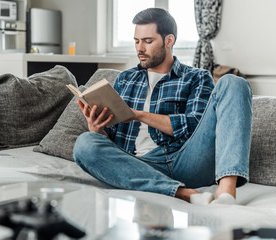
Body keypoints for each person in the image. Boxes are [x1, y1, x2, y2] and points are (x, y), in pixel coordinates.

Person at [73, 8, 252, 204]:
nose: (140, 48)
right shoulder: (125, 79)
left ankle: (226, 195)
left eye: (148, 41)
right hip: (139, 166)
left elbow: (196, 127)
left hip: (187, 160)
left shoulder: (196, 77)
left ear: (169, 41)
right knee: (85, 143)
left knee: (234, 83)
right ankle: (183, 193)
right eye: (136, 41)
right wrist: (97, 129)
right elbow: (112, 142)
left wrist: (138, 115)